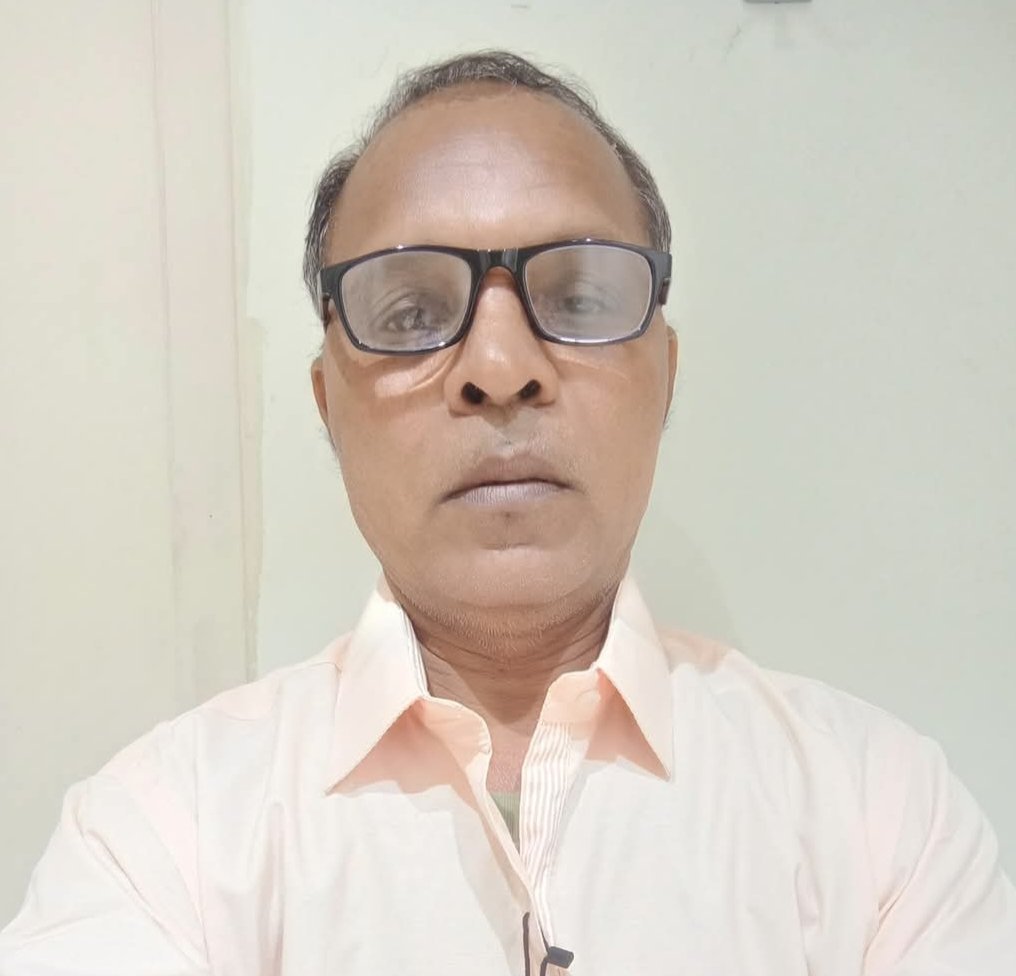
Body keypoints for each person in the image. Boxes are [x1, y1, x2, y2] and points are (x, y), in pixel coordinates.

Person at [1, 49, 1014, 976]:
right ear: (327, 404)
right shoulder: (159, 839)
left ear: (663, 375)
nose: (498, 366)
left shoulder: (882, 820)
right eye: (409, 311)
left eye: (577, 300)